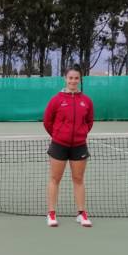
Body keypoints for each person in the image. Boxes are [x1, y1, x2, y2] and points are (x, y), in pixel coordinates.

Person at [43, 65, 94, 228]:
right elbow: (47, 121)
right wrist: (58, 135)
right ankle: (51, 214)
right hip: (59, 145)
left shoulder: (86, 101)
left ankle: (81, 213)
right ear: (65, 79)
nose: (73, 81)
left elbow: (89, 122)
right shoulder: (56, 100)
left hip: (79, 146)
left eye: (76, 78)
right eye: (70, 78)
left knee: (78, 179)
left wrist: (82, 133)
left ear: (80, 80)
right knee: (55, 179)